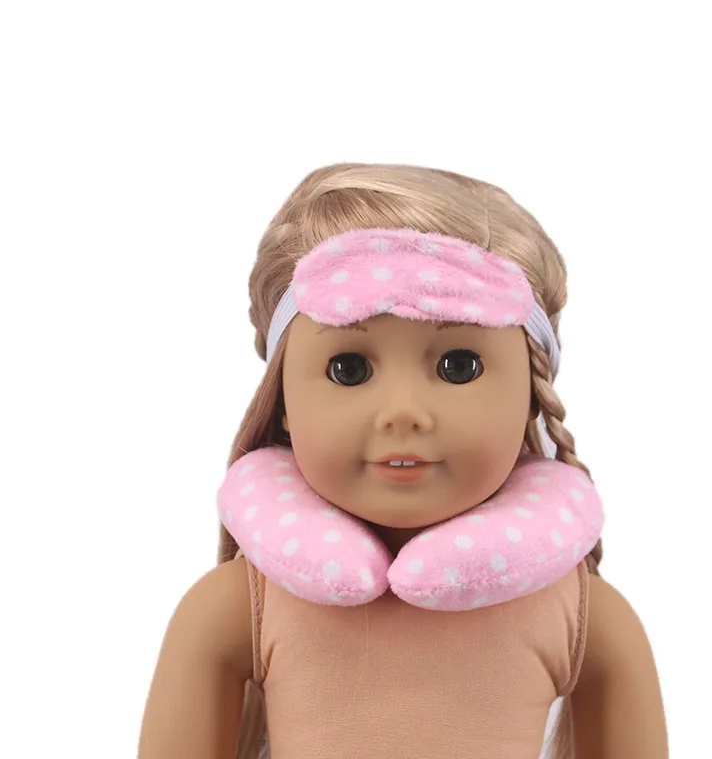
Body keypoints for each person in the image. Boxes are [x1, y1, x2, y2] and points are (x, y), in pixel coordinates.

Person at [138, 163, 668, 758]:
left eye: (459, 366)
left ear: (531, 395)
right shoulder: (237, 608)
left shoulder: (586, 617)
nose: (403, 413)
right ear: (282, 400)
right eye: (349, 369)